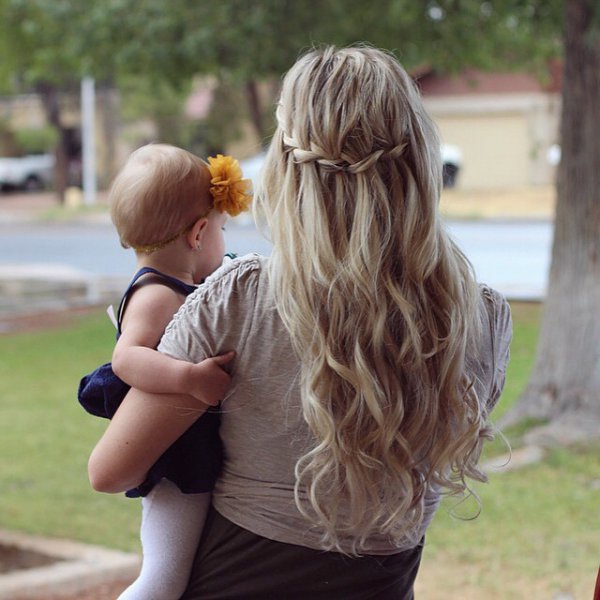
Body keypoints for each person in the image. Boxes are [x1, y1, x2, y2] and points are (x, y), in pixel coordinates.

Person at [88, 46, 512, 599]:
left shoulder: (239, 298)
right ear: (420, 157)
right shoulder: (482, 317)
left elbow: (111, 471)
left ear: (288, 166)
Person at [79, 143, 251, 599]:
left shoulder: (178, 285)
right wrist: (187, 379)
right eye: (222, 229)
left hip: (186, 445)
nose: (223, 241)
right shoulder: (156, 294)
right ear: (198, 233)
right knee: (164, 576)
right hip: (176, 461)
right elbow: (127, 358)